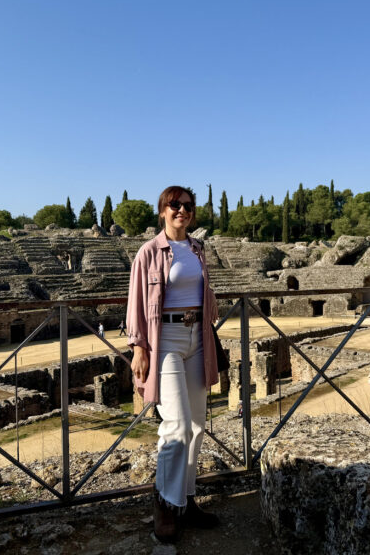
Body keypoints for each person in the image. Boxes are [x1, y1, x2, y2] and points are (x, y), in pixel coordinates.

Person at [126, 185, 220, 542]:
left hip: (198, 337)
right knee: (177, 425)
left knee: (197, 425)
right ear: (163, 211)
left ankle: (186, 500)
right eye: (175, 205)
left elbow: (203, 291)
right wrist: (138, 346)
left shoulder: (198, 249)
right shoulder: (148, 253)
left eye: (188, 206)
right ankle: (164, 503)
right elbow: (136, 302)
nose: (182, 211)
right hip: (164, 340)